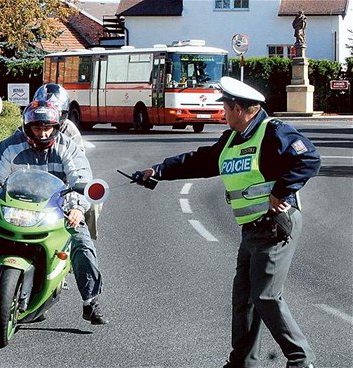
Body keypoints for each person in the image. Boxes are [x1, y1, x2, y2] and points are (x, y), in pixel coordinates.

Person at [135, 77, 319, 368]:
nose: (223, 112)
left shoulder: (274, 132)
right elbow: (202, 160)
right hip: (252, 229)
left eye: (226, 107)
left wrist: (281, 191)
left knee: (266, 296)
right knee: (244, 299)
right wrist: (158, 170)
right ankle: (242, 362)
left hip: (275, 225)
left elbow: (308, 158)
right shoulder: (234, 139)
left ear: (241, 108)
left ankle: (301, 360)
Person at [0, 100, 108, 325]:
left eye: (47, 127)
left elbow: (81, 178)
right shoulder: (10, 145)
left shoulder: (68, 147)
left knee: (82, 243)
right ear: (27, 127)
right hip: (18, 209)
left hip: (60, 210)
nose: (42, 132)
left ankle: (90, 301)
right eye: (37, 127)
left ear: (56, 127)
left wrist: (77, 207)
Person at [33, 83, 102, 240]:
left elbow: (77, 169)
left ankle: (82, 241)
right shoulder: (28, 127)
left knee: (91, 204)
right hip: (33, 186)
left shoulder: (69, 131)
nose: (45, 122)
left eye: (55, 112)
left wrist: (76, 205)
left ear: (63, 113)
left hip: (63, 186)